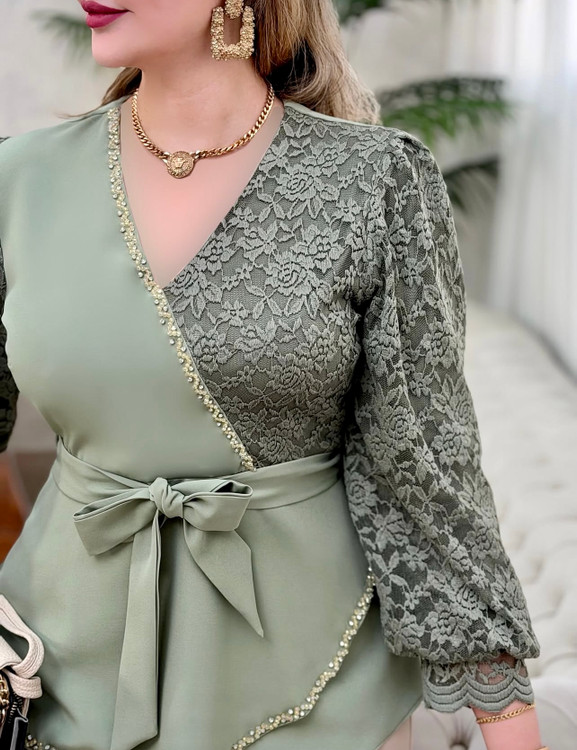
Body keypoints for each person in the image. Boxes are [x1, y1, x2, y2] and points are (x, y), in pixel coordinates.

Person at [0, 1, 547, 749]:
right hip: (58, 663)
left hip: (321, 679)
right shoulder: (18, 179)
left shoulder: (376, 180)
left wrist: (510, 725)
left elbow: (424, 469)